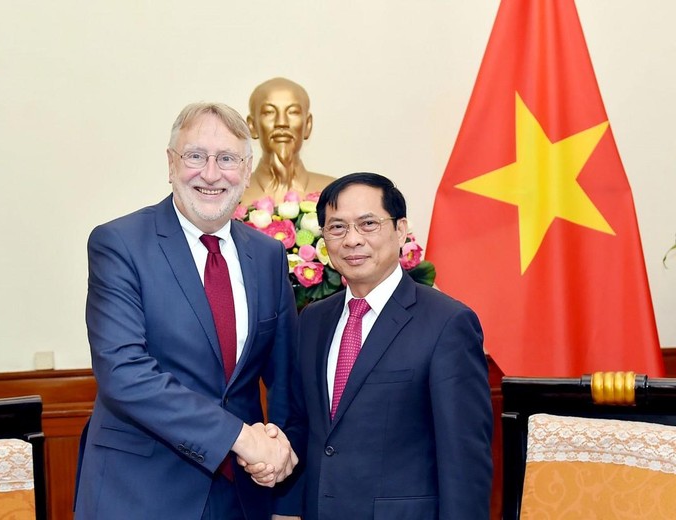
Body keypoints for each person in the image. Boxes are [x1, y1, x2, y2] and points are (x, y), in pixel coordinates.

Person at [74, 102, 300, 520]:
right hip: (140, 492)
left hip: (243, 495)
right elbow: (124, 373)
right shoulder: (119, 244)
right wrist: (239, 438)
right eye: (196, 156)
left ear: (247, 170)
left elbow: (285, 381)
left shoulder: (268, 255)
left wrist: (284, 485)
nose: (211, 174)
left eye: (227, 159)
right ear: (171, 163)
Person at [262, 172, 493, 519]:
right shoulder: (313, 319)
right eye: (337, 228)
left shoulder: (447, 323)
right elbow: (306, 424)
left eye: (368, 224)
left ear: (400, 230)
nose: (352, 240)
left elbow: (465, 461)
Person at [241, 77, 336, 206]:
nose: (281, 123)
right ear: (252, 126)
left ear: (307, 125)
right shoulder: (234, 195)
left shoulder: (334, 192)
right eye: (269, 112)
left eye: (293, 112)